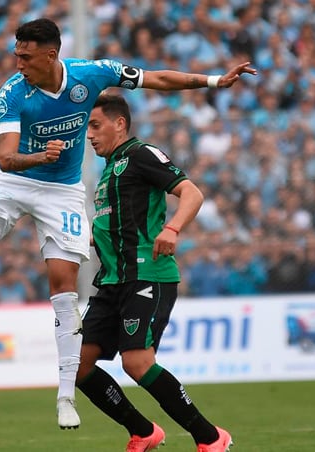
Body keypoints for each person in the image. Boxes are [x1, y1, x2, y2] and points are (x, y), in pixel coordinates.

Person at [0, 17, 256, 429]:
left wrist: (214, 82)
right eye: (16, 55)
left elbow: (156, 78)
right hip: (14, 179)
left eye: (26, 56)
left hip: (62, 191)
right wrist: (41, 157)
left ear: (51, 54)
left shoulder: (91, 75)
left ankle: (65, 395)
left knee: (63, 281)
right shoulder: (13, 93)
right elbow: (6, 158)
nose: (18, 63)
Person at [79, 94, 231, 452]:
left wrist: (173, 229)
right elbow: (112, 229)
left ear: (120, 124)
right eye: (87, 127)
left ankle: (211, 438)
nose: (90, 135)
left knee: (137, 362)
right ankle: (144, 431)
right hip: (113, 281)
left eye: (96, 125)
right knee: (77, 363)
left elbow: (191, 193)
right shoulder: (108, 172)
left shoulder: (141, 154)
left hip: (148, 276)